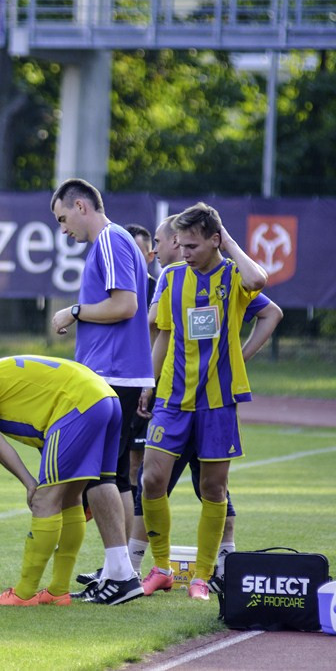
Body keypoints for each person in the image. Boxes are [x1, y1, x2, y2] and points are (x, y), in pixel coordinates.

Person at [125, 216, 283, 584]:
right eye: (179, 245)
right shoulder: (174, 277)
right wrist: (149, 383)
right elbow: (163, 333)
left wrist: (240, 357)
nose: (183, 252)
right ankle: (162, 568)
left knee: (213, 488)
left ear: (215, 240)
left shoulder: (233, 276)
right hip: (172, 399)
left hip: (218, 402)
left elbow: (260, 284)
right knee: (151, 479)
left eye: (192, 246)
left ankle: (204, 577)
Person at [0, 356, 138, 606]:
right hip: (105, 398)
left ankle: (24, 593)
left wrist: (30, 483)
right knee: (75, 495)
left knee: (44, 501)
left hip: (75, 404)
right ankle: (60, 590)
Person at [49, 178, 152, 603]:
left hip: (110, 374)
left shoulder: (110, 239)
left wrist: (74, 311)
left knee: (98, 474)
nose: (62, 229)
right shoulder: (112, 242)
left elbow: (125, 305)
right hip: (119, 373)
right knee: (115, 476)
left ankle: (123, 575)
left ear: (80, 206)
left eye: (62, 218)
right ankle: (121, 570)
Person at [123, 223, 157, 493]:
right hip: (118, 382)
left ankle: (137, 526)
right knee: (117, 461)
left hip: (147, 386)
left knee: (139, 463)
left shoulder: (159, 291)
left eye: (138, 251)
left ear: (150, 256)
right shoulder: (112, 291)